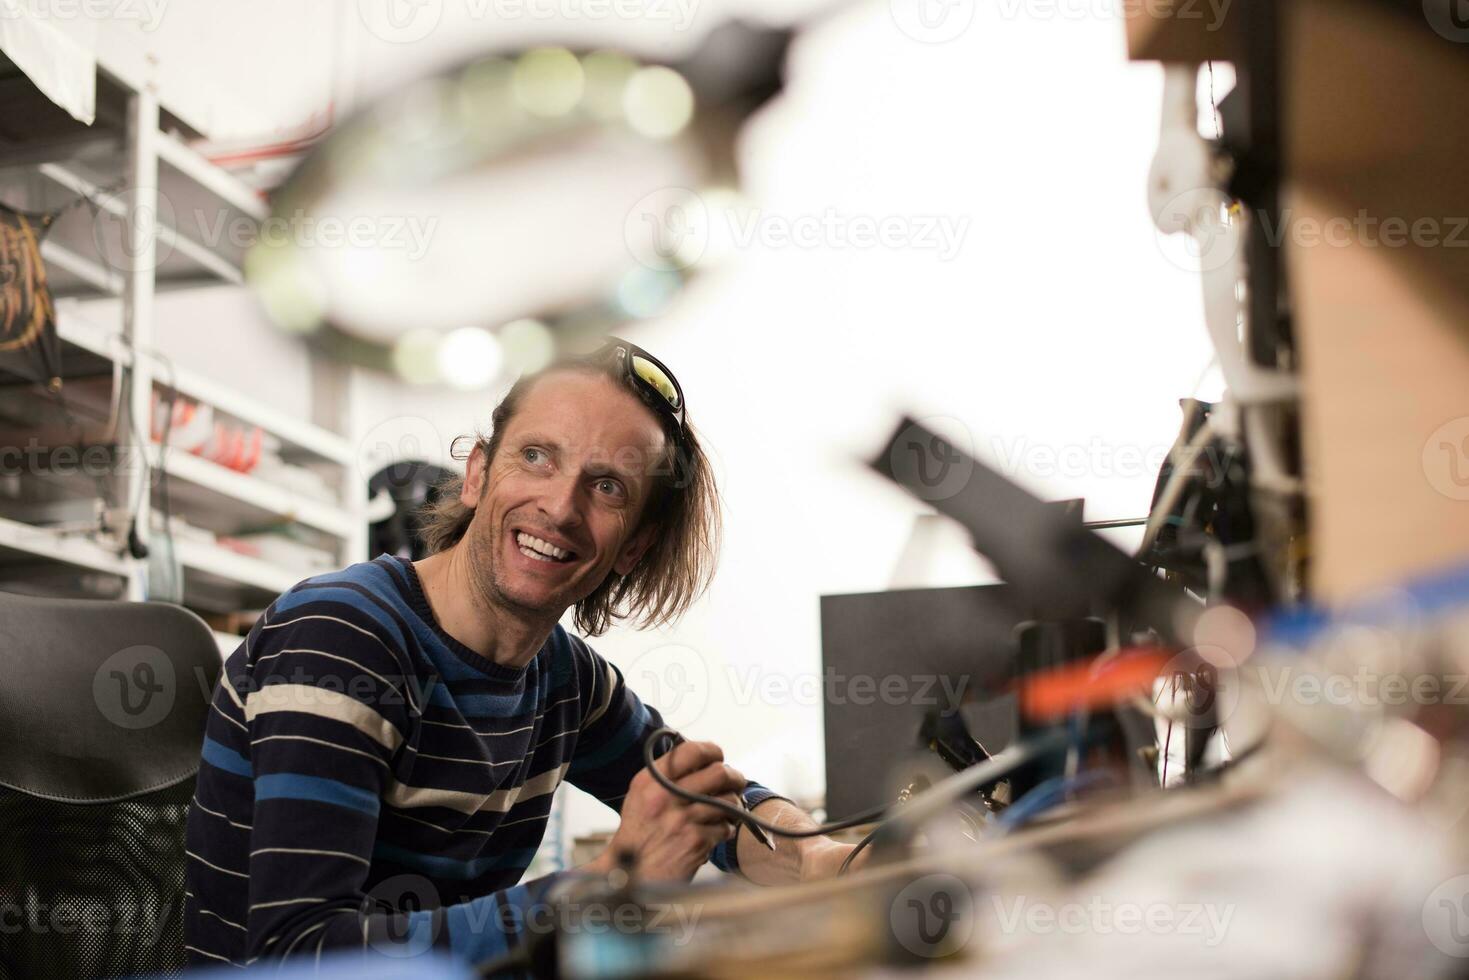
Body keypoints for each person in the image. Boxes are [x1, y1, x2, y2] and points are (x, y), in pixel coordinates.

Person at [183, 337, 864, 968]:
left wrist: (817, 857)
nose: (559, 507)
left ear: (633, 545)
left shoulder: (565, 680)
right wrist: (602, 886)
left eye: (606, 487)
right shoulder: (342, 637)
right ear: (478, 474)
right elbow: (302, 957)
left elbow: (704, 802)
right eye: (536, 456)